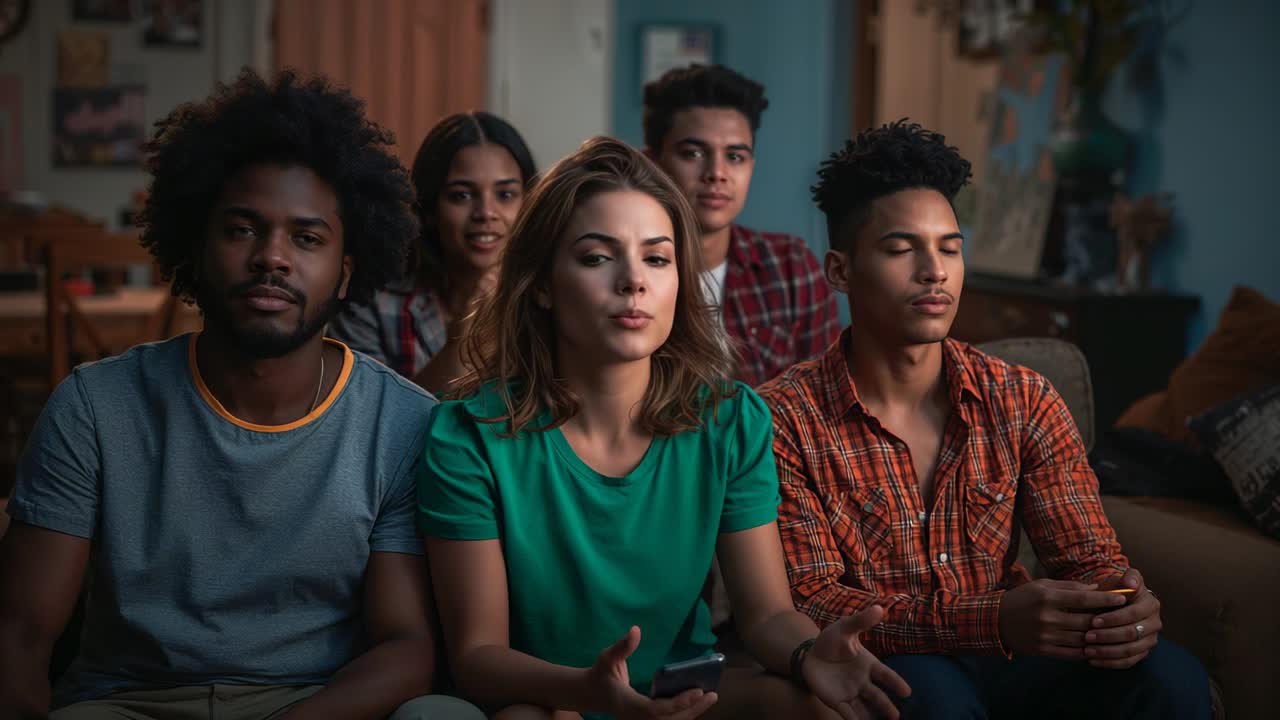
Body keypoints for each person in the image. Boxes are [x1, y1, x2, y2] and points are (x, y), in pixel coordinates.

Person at [0, 70, 483, 720]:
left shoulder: (401, 423)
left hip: (316, 704)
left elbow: (406, 647)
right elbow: (21, 637)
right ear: (196, 250)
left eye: (307, 239)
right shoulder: (94, 406)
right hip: (130, 703)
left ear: (346, 272)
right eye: (241, 230)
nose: (272, 258)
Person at [418, 136, 911, 720]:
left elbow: (766, 615)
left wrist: (807, 654)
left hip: (682, 698)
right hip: (550, 700)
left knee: (816, 711)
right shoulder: (469, 434)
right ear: (543, 284)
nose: (634, 281)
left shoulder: (731, 419)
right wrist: (587, 691)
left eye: (656, 258)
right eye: (597, 257)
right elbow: (478, 656)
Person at [760, 120, 1212, 719]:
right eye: (902, 249)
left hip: (1017, 655)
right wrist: (991, 619)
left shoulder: (1023, 397)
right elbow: (814, 602)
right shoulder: (783, 416)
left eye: (950, 247)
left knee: (1171, 677)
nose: (935, 271)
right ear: (839, 272)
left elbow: (1087, 557)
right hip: (895, 657)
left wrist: (1124, 601)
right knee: (929, 699)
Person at [642, 64, 840, 387]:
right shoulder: (630, 275)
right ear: (652, 162)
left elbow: (824, 395)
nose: (717, 173)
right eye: (693, 153)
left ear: (751, 166)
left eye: (735, 157)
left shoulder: (790, 266)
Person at [329, 112, 537, 394]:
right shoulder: (370, 305)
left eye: (506, 195)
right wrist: (463, 342)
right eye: (461, 195)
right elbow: (371, 426)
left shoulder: (549, 304)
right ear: (428, 208)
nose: (486, 213)